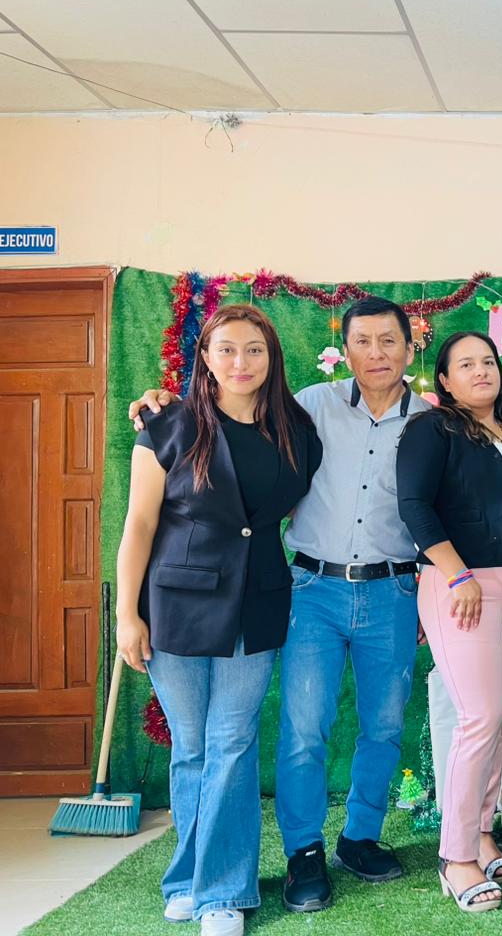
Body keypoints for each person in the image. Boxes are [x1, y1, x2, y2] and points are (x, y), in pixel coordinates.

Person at [128, 296, 429, 914]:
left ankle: (354, 840)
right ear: (345, 349)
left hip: (372, 590)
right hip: (301, 590)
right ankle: (284, 858)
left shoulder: (421, 422)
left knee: (370, 727)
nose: (376, 353)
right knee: (276, 734)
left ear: (410, 347)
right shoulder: (308, 407)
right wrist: (159, 403)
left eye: (389, 341)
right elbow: (144, 518)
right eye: (363, 340)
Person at [115, 305, 320, 936]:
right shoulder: (168, 426)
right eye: (226, 349)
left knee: (232, 744)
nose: (240, 362)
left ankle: (221, 894)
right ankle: (187, 879)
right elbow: (139, 524)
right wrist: (126, 615)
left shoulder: (296, 431)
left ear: (271, 357)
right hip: (175, 607)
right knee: (192, 747)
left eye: (254, 349)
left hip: (256, 604)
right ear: (204, 357)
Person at [397, 331, 502, 913]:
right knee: (477, 717)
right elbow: (414, 505)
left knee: (497, 714)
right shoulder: (432, 428)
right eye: (466, 364)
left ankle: (481, 832)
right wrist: (458, 576)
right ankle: (455, 858)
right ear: (446, 380)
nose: (481, 371)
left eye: (488, 361)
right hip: (463, 584)